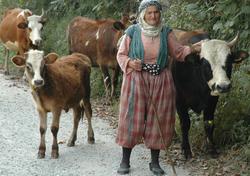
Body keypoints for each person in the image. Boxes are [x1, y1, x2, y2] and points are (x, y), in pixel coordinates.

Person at [116, 0, 201, 175]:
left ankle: (154, 162)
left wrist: (193, 49)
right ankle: (125, 160)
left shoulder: (165, 32)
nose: (153, 16)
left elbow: (178, 52)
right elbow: (121, 55)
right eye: (149, 13)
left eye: (156, 12)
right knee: (131, 117)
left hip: (161, 79)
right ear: (142, 15)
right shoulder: (132, 31)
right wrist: (131, 62)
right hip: (136, 79)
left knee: (159, 120)